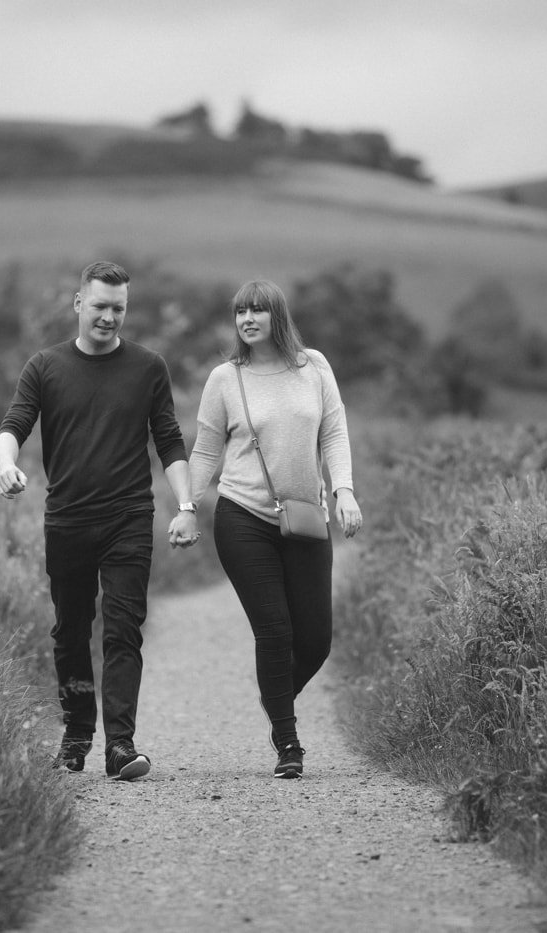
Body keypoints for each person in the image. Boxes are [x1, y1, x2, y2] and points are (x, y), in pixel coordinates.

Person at [0, 260, 195, 781]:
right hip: (67, 520)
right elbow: (13, 425)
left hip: (129, 514)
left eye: (119, 308)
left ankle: (120, 746)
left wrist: (187, 505)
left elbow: (169, 440)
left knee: (124, 629)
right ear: (79, 304)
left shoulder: (149, 367)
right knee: (70, 631)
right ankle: (78, 731)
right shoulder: (45, 366)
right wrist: (5, 464)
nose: (109, 317)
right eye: (101, 306)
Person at [168, 279, 362, 779]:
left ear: (278, 316)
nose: (247, 319)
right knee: (274, 630)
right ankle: (288, 741)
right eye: (240, 312)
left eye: (257, 310)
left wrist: (343, 491)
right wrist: (188, 506)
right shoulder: (225, 379)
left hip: (305, 517)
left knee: (315, 640)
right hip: (242, 516)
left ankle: (275, 695)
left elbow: (334, 432)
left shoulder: (314, 367)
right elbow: (207, 450)